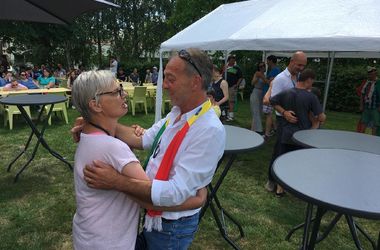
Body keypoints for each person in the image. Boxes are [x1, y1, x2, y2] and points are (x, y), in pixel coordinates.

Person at [73, 48, 225, 250]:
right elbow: (145, 140)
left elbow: (173, 194)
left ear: (195, 82)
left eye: (170, 79)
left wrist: (116, 181)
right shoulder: (177, 114)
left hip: (172, 225)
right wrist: (94, 122)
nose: (164, 85)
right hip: (155, 215)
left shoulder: (208, 130)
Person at [270, 69, 326, 195]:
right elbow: (321, 117)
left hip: (286, 132)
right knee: (297, 162)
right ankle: (294, 187)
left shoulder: (286, 92)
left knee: (282, 160)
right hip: (302, 135)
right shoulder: (311, 97)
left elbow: (272, 101)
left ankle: (279, 188)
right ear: (309, 80)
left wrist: (283, 112)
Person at [265, 51, 307, 194]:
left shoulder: (300, 78)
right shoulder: (280, 79)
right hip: (283, 119)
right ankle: (271, 180)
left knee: (292, 151)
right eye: (299, 64)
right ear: (291, 61)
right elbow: (272, 101)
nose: (301, 68)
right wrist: (284, 113)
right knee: (280, 150)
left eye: (303, 65)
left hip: (297, 120)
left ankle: (286, 182)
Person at [357, 66, 380, 135]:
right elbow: (362, 94)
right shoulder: (366, 82)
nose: (369, 75)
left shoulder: (379, 83)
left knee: (375, 124)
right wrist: (361, 105)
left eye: (371, 74)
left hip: (375, 107)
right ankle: (361, 136)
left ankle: (374, 138)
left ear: (375, 74)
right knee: (364, 122)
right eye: (369, 74)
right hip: (366, 107)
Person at [263, 55, 281, 139]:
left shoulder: (275, 70)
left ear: (271, 61)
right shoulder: (274, 70)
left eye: (267, 61)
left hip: (271, 95)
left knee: (268, 114)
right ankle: (275, 128)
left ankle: (267, 134)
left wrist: (261, 76)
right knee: (269, 113)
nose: (266, 63)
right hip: (270, 94)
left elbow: (269, 82)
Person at [224, 54, 243, 121]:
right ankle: (225, 115)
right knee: (225, 101)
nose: (233, 62)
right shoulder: (225, 67)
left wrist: (237, 85)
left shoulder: (237, 68)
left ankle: (231, 116)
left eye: (234, 60)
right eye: (231, 60)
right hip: (225, 87)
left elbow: (240, 77)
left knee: (231, 101)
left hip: (232, 87)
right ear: (228, 60)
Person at [250, 62, 266, 133]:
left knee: (259, 111)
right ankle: (259, 129)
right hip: (256, 92)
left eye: (263, 66)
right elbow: (252, 83)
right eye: (260, 66)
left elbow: (267, 82)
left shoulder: (265, 75)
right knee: (255, 110)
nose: (262, 68)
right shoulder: (257, 73)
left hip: (262, 93)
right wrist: (258, 77)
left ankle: (254, 128)